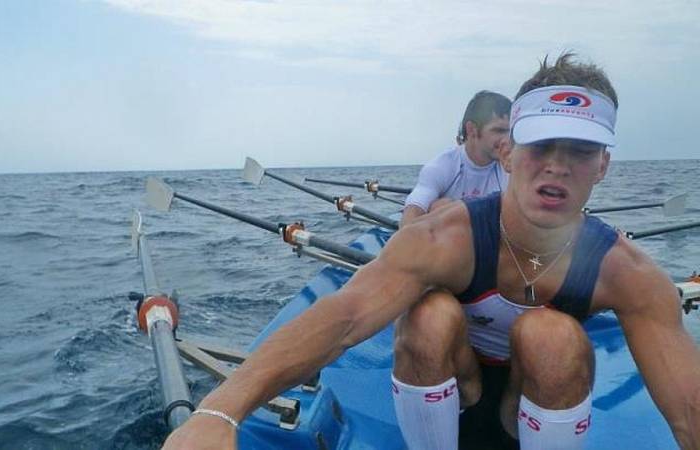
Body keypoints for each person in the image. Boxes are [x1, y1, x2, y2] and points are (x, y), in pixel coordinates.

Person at [162, 54, 700, 450]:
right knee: (426, 315)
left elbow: (688, 409)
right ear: (509, 153)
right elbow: (345, 315)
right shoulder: (448, 237)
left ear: (602, 166)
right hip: (453, 386)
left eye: (580, 151)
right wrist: (220, 411)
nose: (557, 166)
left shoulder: (628, 273)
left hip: (535, 400)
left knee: (551, 334)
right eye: (541, 146)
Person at [401, 91, 511, 228]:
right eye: (499, 131)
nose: (507, 140)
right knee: (442, 206)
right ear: (472, 130)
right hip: (450, 242)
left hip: (492, 240)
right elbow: (412, 215)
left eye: (510, 132)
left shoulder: (511, 169)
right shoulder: (442, 166)